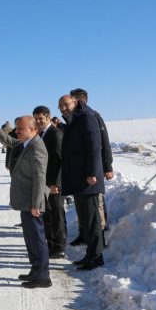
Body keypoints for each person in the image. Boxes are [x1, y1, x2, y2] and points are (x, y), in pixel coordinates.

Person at [0, 112, 50, 288]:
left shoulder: (37, 147)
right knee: (30, 238)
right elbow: (12, 142)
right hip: (26, 201)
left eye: (20, 129)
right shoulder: (26, 143)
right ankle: (35, 270)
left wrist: (36, 204)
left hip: (32, 202)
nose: (17, 132)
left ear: (32, 129)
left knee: (37, 239)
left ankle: (43, 277)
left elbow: (40, 178)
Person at [58, 94, 105, 270]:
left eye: (65, 104)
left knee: (92, 220)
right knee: (85, 220)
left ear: (75, 102)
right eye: (60, 106)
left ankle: (96, 256)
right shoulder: (74, 119)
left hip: (88, 179)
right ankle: (90, 254)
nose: (63, 108)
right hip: (79, 179)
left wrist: (92, 172)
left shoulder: (86, 118)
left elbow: (94, 146)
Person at [68, 88, 113, 243]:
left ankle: (99, 237)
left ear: (82, 101)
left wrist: (108, 167)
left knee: (97, 205)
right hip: (82, 170)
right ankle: (84, 233)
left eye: (74, 101)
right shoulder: (75, 117)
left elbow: (104, 143)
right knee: (82, 206)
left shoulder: (93, 116)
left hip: (95, 167)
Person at [33, 106, 66, 260]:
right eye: (36, 118)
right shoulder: (41, 134)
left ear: (48, 117)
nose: (38, 121)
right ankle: (51, 243)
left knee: (57, 214)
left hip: (54, 184)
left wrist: (55, 184)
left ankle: (59, 247)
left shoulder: (55, 134)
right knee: (48, 215)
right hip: (44, 183)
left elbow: (60, 161)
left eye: (41, 118)